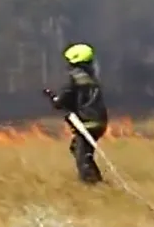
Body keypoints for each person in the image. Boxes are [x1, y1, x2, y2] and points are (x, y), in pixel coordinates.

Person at [44, 42, 108, 184]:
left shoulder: (76, 80)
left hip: (88, 123)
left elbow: (63, 101)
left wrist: (55, 99)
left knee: (82, 156)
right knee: (78, 148)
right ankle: (97, 181)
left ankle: (92, 184)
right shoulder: (91, 79)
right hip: (99, 121)